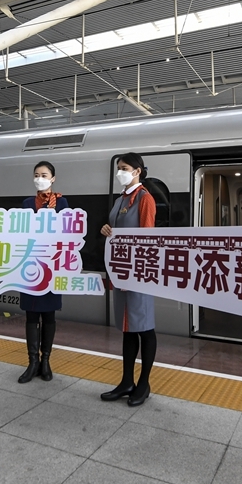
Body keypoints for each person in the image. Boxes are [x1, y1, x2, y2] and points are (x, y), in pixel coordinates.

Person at [99, 152, 158, 407]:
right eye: (119, 168)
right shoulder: (121, 199)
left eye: (124, 168)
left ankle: (143, 384)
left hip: (138, 273)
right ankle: (126, 382)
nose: (120, 172)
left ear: (137, 171)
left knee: (144, 328)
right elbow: (116, 230)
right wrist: (106, 230)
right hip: (121, 271)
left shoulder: (145, 198)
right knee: (128, 328)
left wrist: (136, 272)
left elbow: (147, 237)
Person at [17, 161, 69, 384]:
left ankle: (46, 361)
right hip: (29, 266)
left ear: (53, 178)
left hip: (53, 267)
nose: (40, 178)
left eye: (44, 175)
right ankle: (32, 362)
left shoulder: (62, 203)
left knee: (49, 315)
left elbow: (68, 233)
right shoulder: (27, 203)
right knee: (31, 315)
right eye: (36, 175)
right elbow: (17, 232)